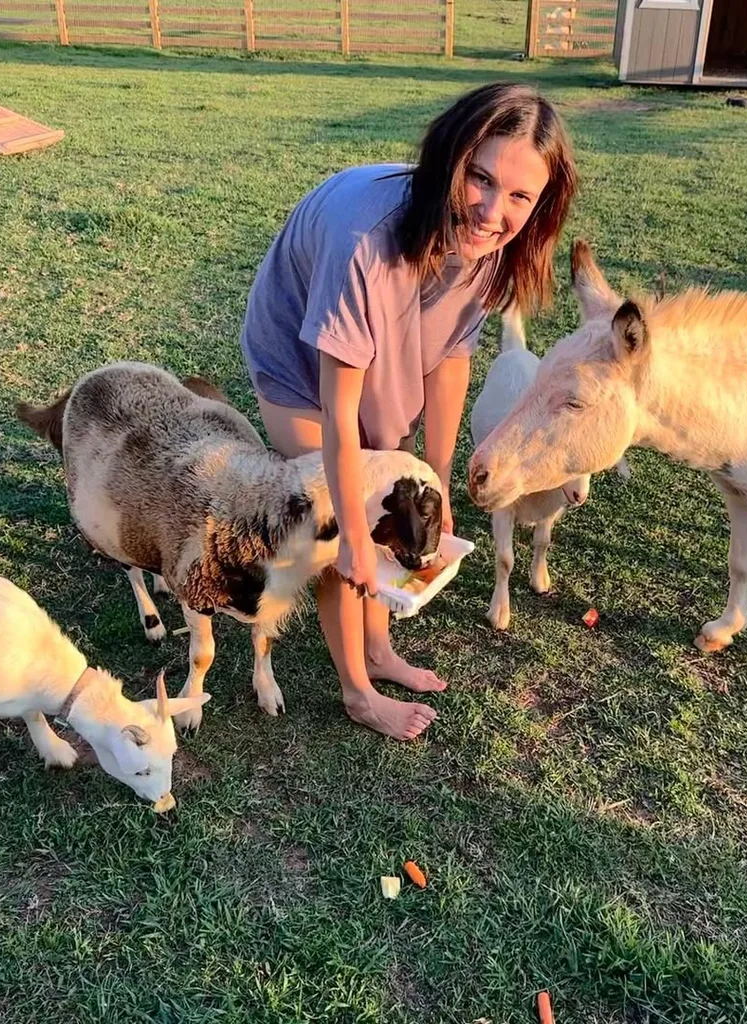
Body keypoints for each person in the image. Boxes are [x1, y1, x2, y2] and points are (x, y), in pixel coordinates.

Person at [240, 82, 578, 740]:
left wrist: (441, 476)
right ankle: (358, 692)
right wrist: (356, 542)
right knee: (342, 518)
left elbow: (449, 357)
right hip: (300, 362)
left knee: (395, 489)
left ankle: (380, 648)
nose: (491, 211)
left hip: (389, 343)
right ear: (450, 159)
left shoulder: (491, 248)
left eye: (518, 196)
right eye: (479, 178)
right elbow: (339, 412)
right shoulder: (367, 242)